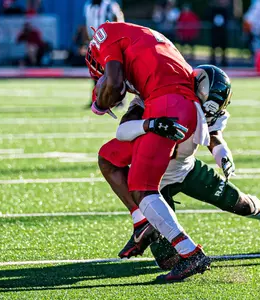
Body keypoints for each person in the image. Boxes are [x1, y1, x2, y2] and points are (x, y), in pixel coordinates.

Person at [98, 65, 260, 270]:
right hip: (152, 180)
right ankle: (153, 230)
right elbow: (123, 131)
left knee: (240, 204)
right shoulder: (156, 98)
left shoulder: (210, 110)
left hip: (186, 170)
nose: (207, 113)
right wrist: (151, 124)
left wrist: (221, 153)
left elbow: (213, 134)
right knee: (167, 260)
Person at [86, 22, 210, 282]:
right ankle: (142, 222)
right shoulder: (143, 40)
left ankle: (190, 254)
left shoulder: (104, 35)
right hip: (178, 104)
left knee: (142, 187)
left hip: (168, 104)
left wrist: (98, 105)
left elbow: (116, 84)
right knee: (109, 157)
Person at [84, 0, 124, 106]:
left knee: (113, 71)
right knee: (96, 71)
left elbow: (119, 20)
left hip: (110, 43)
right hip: (95, 43)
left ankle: (119, 100)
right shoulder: (88, 6)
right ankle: (97, 98)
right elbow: (87, 23)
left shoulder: (110, 5)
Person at [210, 0, 231, 66]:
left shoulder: (225, 11)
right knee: (213, 47)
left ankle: (224, 61)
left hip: (223, 32)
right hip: (215, 32)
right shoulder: (213, 10)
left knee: (223, 47)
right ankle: (213, 60)